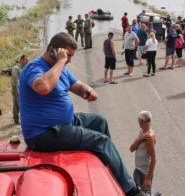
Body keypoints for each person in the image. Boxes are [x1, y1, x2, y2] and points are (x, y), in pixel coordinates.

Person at [19, 32, 146, 196]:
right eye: (67, 55)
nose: (69, 60)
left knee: (99, 121)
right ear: (53, 50)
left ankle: (106, 169)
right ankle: (133, 192)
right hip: (44, 134)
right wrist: (61, 61)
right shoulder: (34, 68)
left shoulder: (60, 68)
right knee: (102, 141)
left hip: (64, 124)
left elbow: (77, 86)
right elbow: (42, 87)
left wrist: (88, 90)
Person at [130, 111, 157, 195]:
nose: (138, 122)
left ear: (141, 121)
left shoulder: (149, 137)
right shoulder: (142, 132)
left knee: (144, 194)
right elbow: (131, 149)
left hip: (144, 173)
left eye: (138, 120)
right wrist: (139, 139)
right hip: (138, 170)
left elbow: (154, 158)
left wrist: (148, 178)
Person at [11, 54, 29, 124]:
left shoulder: (23, 68)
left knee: (20, 105)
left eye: (28, 60)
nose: (27, 61)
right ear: (21, 60)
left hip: (21, 90)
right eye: (26, 60)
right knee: (16, 106)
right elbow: (14, 80)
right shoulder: (16, 68)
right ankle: (16, 120)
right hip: (17, 90)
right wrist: (15, 91)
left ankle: (20, 120)